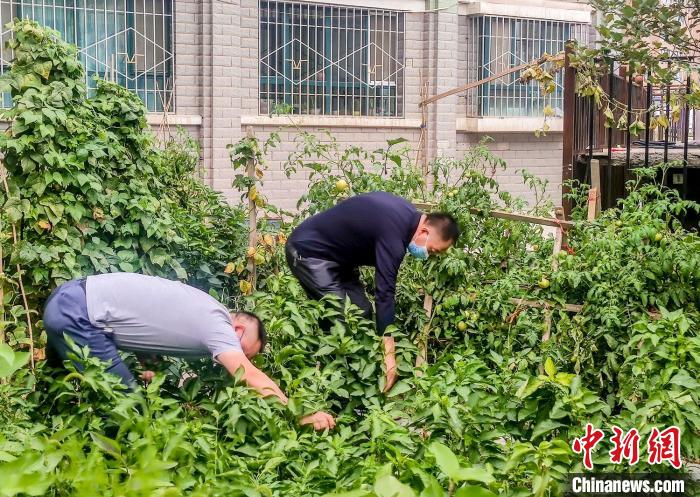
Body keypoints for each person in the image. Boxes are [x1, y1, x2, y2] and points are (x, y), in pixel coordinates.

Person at [43, 272, 335, 431]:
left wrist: (149, 363)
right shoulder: (217, 323)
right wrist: (298, 414)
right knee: (130, 410)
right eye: (247, 352)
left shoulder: (202, 306)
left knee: (55, 394)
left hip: (70, 297)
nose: (243, 359)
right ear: (238, 332)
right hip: (78, 312)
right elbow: (251, 376)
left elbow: (147, 316)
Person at [285, 191, 459, 392]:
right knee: (342, 319)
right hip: (309, 253)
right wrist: (389, 355)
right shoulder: (394, 235)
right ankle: (336, 392)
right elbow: (385, 293)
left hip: (339, 261)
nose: (428, 255)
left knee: (362, 313)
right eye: (433, 250)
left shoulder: (405, 215)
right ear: (424, 232)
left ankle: (352, 389)